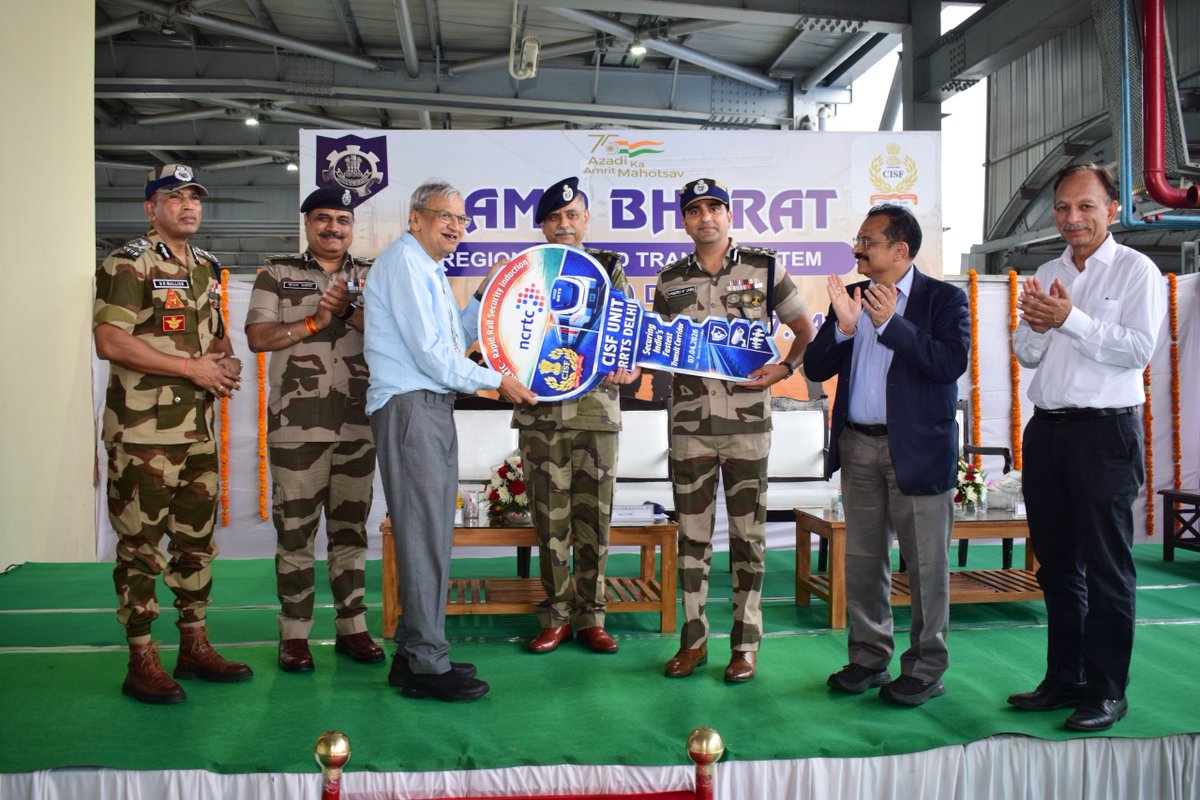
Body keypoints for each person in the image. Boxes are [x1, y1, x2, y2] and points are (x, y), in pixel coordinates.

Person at [364, 179, 537, 702]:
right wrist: (494, 382)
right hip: (411, 405)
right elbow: (430, 357)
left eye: (463, 220)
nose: (457, 227)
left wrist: (488, 294)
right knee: (422, 534)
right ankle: (427, 666)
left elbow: (454, 340)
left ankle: (414, 652)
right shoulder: (404, 265)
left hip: (429, 408)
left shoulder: (430, 271)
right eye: (447, 217)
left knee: (433, 532)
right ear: (415, 218)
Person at [1008, 163, 1166, 731]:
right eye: (1063, 208)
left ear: (1113, 210)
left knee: (1106, 568)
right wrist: (1040, 327)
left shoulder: (1135, 271)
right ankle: (1064, 678)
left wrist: (1070, 318)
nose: (1072, 218)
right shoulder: (1048, 268)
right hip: (1047, 431)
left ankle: (1106, 690)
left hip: (1105, 433)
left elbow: (1137, 351)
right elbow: (1025, 353)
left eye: (1086, 207)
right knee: (1056, 567)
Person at [93, 164, 253, 704]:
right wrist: (191, 371)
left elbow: (215, 340)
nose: (188, 206)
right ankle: (141, 657)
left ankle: (194, 643)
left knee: (196, 545)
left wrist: (224, 365)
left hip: (197, 431)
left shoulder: (206, 267)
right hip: (143, 435)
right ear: (150, 208)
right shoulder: (127, 261)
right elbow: (110, 341)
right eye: (173, 197)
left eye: (194, 198)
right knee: (140, 549)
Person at [803, 203, 969, 707]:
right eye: (858, 239)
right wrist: (849, 327)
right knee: (863, 559)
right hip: (858, 444)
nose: (858, 248)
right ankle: (869, 658)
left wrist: (891, 323)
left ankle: (925, 668)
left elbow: (948, 363)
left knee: (926, 564)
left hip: (916, 450)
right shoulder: (851, 297)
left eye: (868, 241)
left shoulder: (944, 299)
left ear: (900, 250)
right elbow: (815, 365)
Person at [653, 178, 813, 683]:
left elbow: (805, 328)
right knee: (691, 539)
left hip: (747, 427)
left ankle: (745, 646)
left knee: (749, 538)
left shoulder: (763, 268)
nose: (706, 217)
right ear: (685, 219)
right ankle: (693, 642)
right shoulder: (668, 280)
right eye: (695, 209)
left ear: (728, 213)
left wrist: (785, 369)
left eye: (714, 207)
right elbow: (656, 346)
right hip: (690, 429)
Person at [246, 187, 385, 673]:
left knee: (351, 534)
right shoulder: (277, 272)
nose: (333, 228)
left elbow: (393, 335)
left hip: (357, 426)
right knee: (295, 535)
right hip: (296, 430)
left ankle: (353, 628)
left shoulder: (371, 275)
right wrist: (314, 322)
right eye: (323, 219)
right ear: (306, 224)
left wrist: (347, 311)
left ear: (352, 227)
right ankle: (295, 636)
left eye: (342, 220)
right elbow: (258, 337)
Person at [500, 177, 641, 655]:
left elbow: (627, 330)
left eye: (573, 215)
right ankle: (557, 614)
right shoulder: (522, 273)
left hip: (596, 413)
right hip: (539, 415)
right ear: (542, 225)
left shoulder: (608, 268)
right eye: (555, 217)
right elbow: (502, 337)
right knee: (549, 520)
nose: (565, 224)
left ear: (585, 221)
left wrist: (629, 362)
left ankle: (593, 617)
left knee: (593, 520)